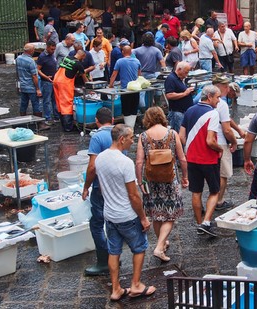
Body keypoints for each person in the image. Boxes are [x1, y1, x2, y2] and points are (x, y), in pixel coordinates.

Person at [94, 124, 156, 301]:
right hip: (127, 215)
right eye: (130, 137)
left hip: (110, 214)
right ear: (121, 139)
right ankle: (136, 284)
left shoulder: (100, 158)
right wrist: (143, 218)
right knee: (139, 248)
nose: (132, 140)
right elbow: (133, 195)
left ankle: (116, 289)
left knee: (114, 251)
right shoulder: (125, 163)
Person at [135, 107, 188, 262]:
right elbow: (182, 158)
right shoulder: (172, 134)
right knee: (171, 214)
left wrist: (140, 181)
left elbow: (139, 162)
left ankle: (162, 243)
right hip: (170, 179)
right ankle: (159, 247)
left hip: (152, 180)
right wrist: (185, 176)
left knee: (156, 214)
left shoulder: (144, 136)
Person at [179, 85, 223, 236]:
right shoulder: (213, 113)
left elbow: (181, 137)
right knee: (214, 191)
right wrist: (220, 148)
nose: (219, 100)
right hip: (208, 159)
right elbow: (210, 141)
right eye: (217, 97)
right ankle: (206, 222)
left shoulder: (189, 110)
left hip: (192, 158)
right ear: (209, 97)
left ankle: (199, 223)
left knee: (196, 192)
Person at [81, 107, 113, 276]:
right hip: (116, 185)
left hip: (101, 187)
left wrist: (86, 186)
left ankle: (104, 262)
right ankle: (113, 257)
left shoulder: (97, 136)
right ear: (113, 120)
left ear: (97, 121)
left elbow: (92, 167)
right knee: (112, 222)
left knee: (97, 223)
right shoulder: (117, 134)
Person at [211, 75, 238, 210]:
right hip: (220, 141)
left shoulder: (202, 99)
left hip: (207, 141)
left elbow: (226, 119)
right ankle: (219, 201)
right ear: (217, 86)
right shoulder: (221, 103)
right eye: (225, 87)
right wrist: (234, 142)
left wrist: (238, 128)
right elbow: (226, 129)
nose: (228, 89)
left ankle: (209, 201)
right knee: (223, 174)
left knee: (211, 174)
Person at [16, 43, 50, 131]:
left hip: (23, 86)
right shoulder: (30, 61)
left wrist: (18, 84)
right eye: (33, 49)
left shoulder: (18, 59)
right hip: (31, 87)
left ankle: (22, 122)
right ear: (30, 51)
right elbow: (34, 76)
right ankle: (39, 124)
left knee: (23, 104)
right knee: (36, 105)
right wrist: (38, 88)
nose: (34, 51)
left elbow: (17, 73)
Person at [53, 50, 88, 131]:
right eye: (84, 58)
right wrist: (90, 86)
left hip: (56, 80)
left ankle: (63, 123)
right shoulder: (78, 64)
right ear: (82, 56)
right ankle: (68, 127)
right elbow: (85, 78)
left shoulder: (66, 58)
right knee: (66, 103)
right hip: (64, 83)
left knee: (59, 102)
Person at [109, 45, 141, 129]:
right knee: (134, 108)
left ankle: (129, 128)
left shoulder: (119, 61)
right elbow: (139, 75)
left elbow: (114, 74)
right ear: (131, 52)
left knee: (126, 109)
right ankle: (131, 127)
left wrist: (110, 85)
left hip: (125, 89)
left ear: (122, 52)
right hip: (135, 89)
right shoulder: (137, 61)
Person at [165, 61, 194, 132]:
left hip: (183, 111)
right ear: (179, 69)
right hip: (177, 112)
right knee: (179, 134)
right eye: (185, 72)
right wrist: (185, 93)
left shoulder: (180, 79)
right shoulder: (171, 79)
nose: (186, 75)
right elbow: (169, 95)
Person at [37, 40, 60, 125]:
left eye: (54, 49)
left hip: (54, 81)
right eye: (51, 49)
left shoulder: (52, 55)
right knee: (46, 100)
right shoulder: (42, 56)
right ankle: (48, 117)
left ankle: (56, 116)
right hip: (46, 82)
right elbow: (38, 69)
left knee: (55, 99)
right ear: (47, 47)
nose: (53, 51)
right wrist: (46, 77)